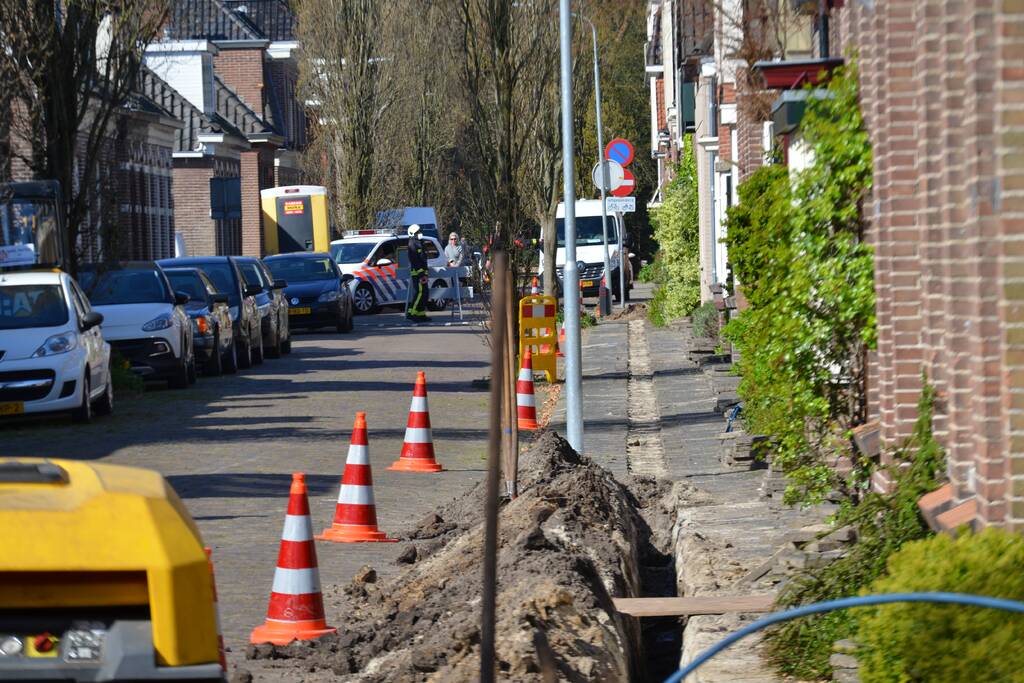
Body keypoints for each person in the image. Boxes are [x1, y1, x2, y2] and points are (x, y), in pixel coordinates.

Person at [406, 223, 429, 322]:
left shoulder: (420, 242)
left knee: (425, 294)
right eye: (418, 232)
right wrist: (421, 274)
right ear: (413, 233)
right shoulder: (412, 244)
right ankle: (411, 313)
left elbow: (423, 258)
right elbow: (414, 260)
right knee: (419, 293)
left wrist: (425, 272)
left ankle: (421, 314)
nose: (420, 233)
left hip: (423, 273)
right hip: (418, 274)